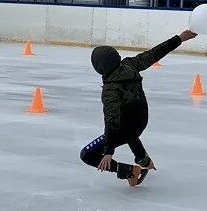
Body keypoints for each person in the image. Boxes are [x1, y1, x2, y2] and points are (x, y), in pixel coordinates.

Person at [80, 29, 197, 187]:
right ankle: (143, 159)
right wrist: (180, 38)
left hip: (128, 127)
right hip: (141, 120)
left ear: (99, 67)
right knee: (127, 126)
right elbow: (154, 53)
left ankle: (131, 172)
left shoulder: (110, 90)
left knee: (87, 154)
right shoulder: (130, 64)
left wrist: (108, 152)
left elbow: (112, 121)